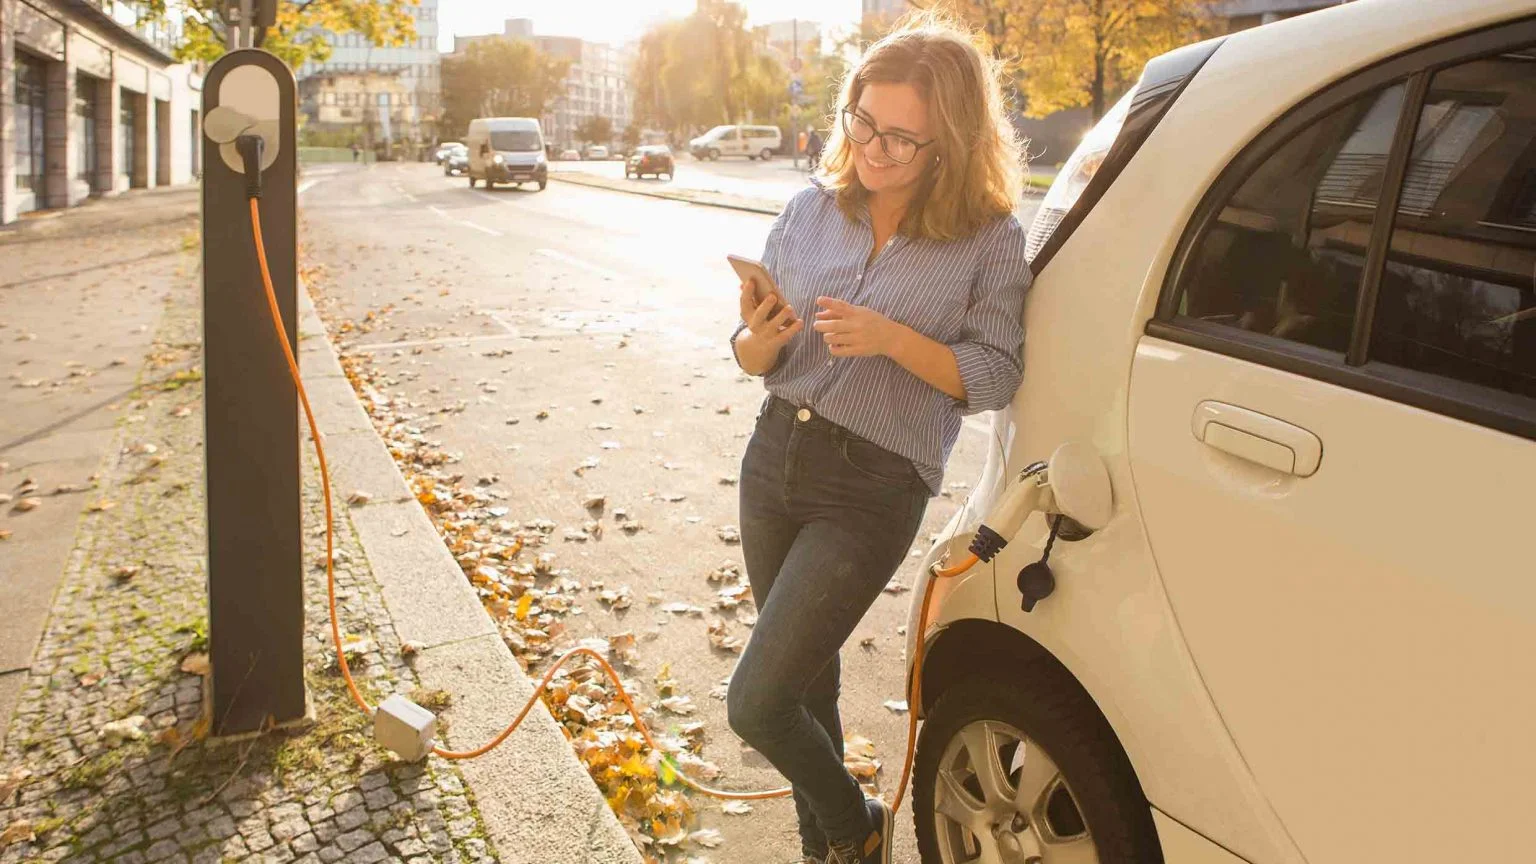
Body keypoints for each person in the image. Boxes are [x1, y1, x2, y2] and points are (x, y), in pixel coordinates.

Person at [726, 12, 1029, 864]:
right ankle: (829, 851)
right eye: (864, 123)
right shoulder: (809, 209)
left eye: (903, 137)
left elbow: (998, 374)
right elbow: (750, 357)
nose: (876, 148)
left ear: (952, 144)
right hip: (774, 456)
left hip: (873, 485)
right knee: (802, 693)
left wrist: (893, 338)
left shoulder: (990, 239)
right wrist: (766, 337)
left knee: (756, 701)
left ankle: (857, 825)